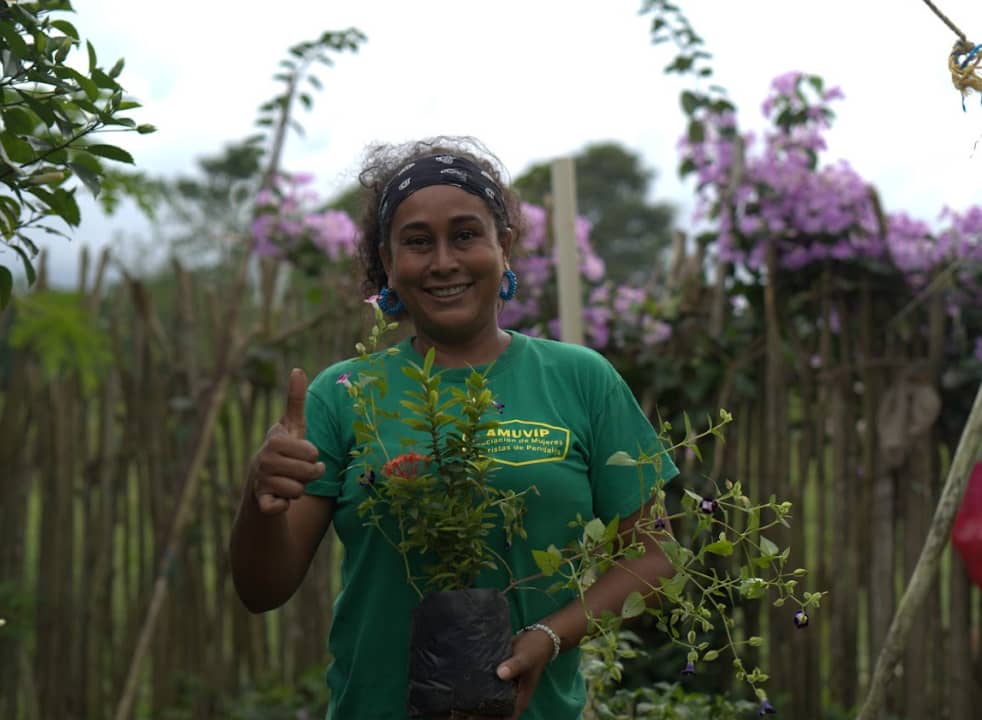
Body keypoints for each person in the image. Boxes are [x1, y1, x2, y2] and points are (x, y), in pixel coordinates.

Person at [229, 136, 679, 720]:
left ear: (504, 247)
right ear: (389, 264)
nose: (443, 261)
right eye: (417, 243)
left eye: (466, 235)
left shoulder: (582, 380)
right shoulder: (344, 396)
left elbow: (654, 555)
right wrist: (259, 500)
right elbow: (262, 591)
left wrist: (549, 635)